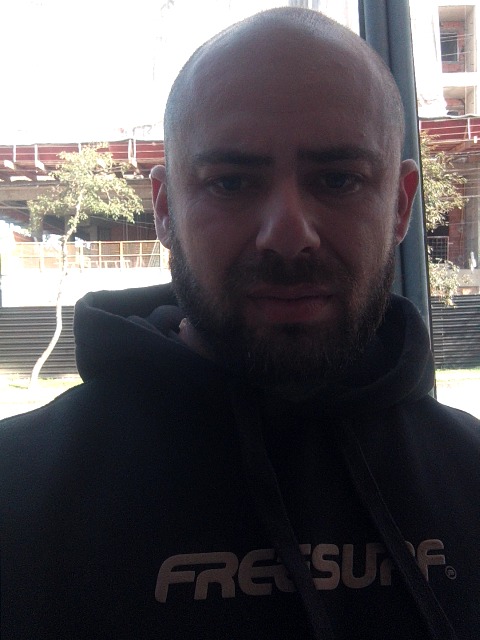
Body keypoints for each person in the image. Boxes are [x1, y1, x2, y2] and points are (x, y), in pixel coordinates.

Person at [1, 7, 479, 640]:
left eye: (339, 179)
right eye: (230, 183)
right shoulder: (15, 492)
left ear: (399, 206)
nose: (288, 236)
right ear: (164, 209)